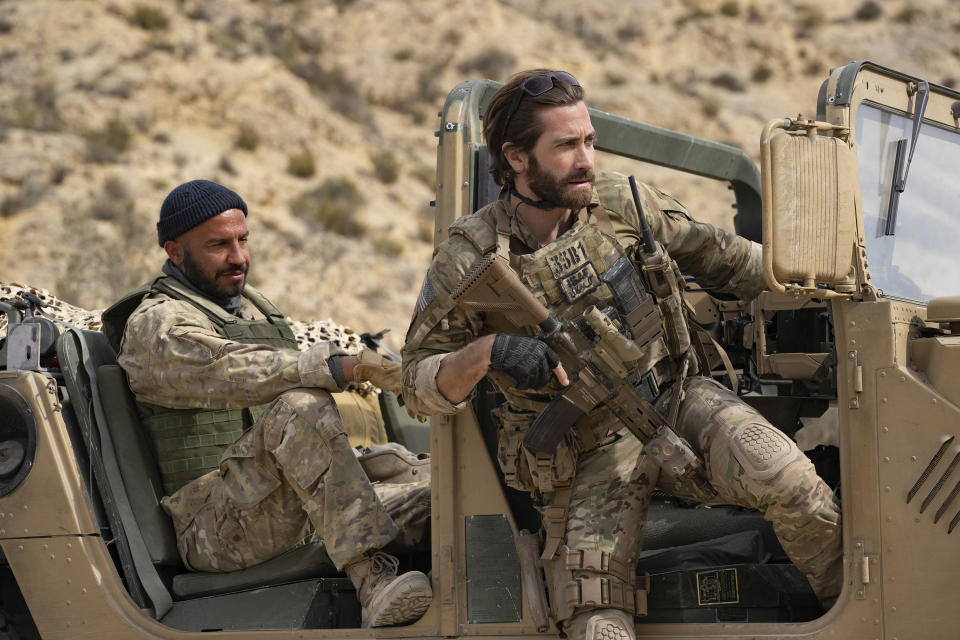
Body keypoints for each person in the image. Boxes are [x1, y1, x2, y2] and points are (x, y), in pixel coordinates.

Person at [401, 70, 841, 640]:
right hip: (582, 448)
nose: (585, 158)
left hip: (676, 399)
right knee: (597, 618)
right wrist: (490, 351)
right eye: (565, 145)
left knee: (797, 489)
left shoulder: (623, 204)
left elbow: (733, 261)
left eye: (588, 140)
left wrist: (832, 287)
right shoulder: (469, 257)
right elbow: (414, 381)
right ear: (515, 158)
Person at [101, 180, 432, 628]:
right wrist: (343, 367)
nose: (238, 258)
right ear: (175, 251)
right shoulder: (155, 324)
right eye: (219, 245)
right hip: (214, 530)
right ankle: (371, 579)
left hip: (281, 507)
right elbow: (230, 369)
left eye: (242, 240)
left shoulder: (254, 311)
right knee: (300, 406)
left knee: (435, 497)